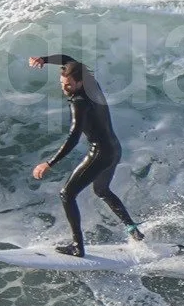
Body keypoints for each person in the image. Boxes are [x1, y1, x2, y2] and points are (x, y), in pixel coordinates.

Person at [29, 54, 142, 256]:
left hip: (100, 152)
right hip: (114, 148)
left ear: (79, 82)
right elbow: (69, 60)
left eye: (69, 85)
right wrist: (44, 60)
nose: (65, 89)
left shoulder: (79, 102)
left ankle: (77, 247)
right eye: (62, 84)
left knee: (67, 194)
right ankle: (133, 230)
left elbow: (73, 137)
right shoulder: (91, 83)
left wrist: (50, 163)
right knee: (102, 190)